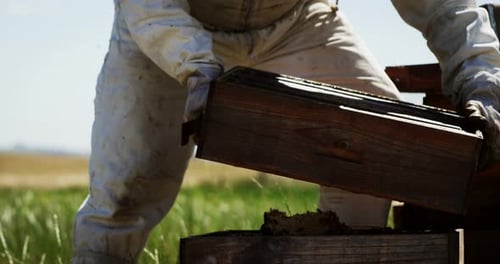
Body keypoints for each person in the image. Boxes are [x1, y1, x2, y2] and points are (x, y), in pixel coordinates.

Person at [72, 0, 500, 262]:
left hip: (298, 21)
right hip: (171, 18)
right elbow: (148, 3)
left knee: (374, 152)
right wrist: (195, 67)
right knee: (124, 196)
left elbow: (446, 5)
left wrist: (481, 82)